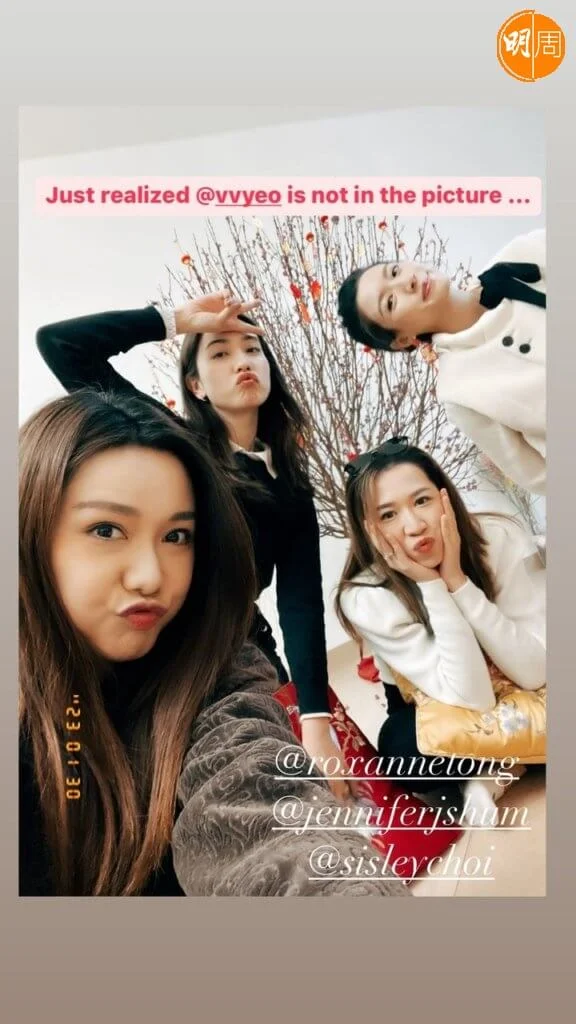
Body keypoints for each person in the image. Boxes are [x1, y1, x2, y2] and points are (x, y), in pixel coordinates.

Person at [19, 390, 408, 897]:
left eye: (176, 537)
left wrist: (315, 720)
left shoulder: (210, 670)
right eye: (106, 530)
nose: (150, 576)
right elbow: (66, 350)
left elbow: (255, 801)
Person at [36, 291, 350, 799]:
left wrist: (316, 719)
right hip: (160, 642)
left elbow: (301, 604)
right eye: (219, 353)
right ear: (195, 385)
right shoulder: (177, 445)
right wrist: (176, 320)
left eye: (252, 349)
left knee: (292, 777)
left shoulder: (289, 484)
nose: (242, 362)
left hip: (240, 645)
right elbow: (61, 345)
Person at [335, 436, 546, 821]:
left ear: (445, 497)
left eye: (422, 501)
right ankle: (516, 758)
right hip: (439, 697)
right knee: (400, 750)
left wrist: (458, 582)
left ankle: (497, 769)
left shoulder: (496, 537)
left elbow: (536, 672)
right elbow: (473, 699)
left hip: (521, 673)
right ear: (369, 531)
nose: (414, 526)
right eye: (388, 515)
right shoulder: (366, 595)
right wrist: (433, 587)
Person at [337, 229, 546, 495]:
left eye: (394, 271)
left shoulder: (522, 255)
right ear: (402, 340)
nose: (407, 282)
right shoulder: (459, 393)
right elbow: (539, 476)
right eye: (390, 301)